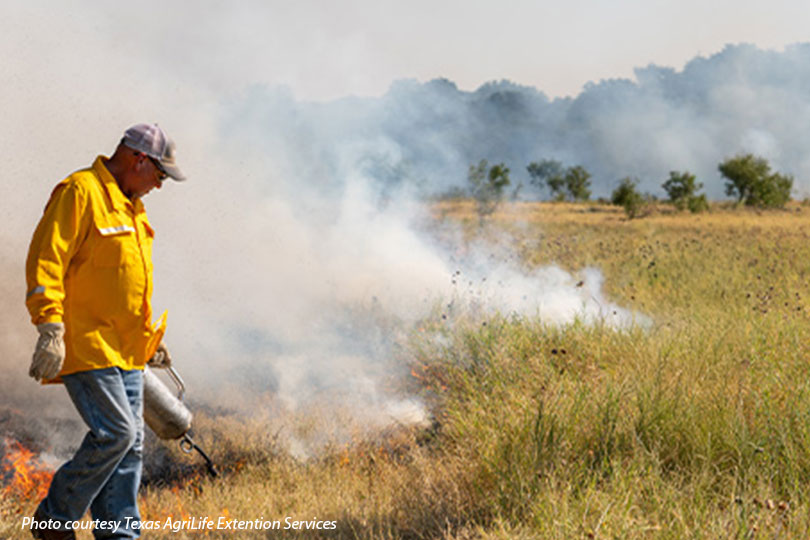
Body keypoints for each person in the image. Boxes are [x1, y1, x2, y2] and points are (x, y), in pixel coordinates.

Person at [24, 123, 186, 540]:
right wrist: (49, 327)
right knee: (117, 433)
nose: (159, 186)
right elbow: (46, 260)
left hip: (125, 349)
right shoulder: (80, 192)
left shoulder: (132, 206)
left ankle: (119, 534)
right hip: (87, 343)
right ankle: (54, 520)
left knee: (131, 448)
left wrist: (147, 337)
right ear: (139, 160)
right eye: (160, 175)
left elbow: (128, 282)